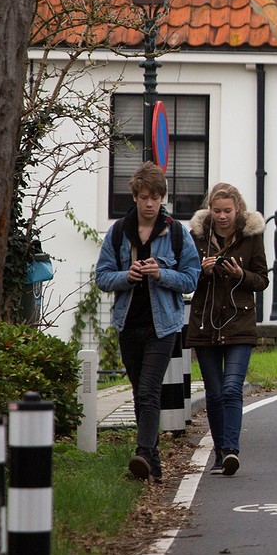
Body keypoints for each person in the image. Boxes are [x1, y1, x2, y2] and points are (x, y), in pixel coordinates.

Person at [95, 162, 200, 482]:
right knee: (140, 390)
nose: (150, 203)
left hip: (163, 326)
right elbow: (102, 276)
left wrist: (161, 274)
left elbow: (191, 278)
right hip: (128, 323)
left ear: (162, 197)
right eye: (144, 197)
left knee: (150, 391)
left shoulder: (177, 232)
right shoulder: (118, 232)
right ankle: (152, 462)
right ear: (135, 198)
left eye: (156, 197)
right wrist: (126, 276)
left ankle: (142, 453)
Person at [186, 182, 268, 476]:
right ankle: (220, 452)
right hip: (205, 323)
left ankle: (231, 450)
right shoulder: (196, 236)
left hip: (239, 322)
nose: (222, 216)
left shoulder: (251, 236)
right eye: (217, 211)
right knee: (215, 391)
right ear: (210, 209)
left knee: (232, 388)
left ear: (238, 209)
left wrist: (240, 274)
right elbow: (184, 278)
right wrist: (202, 272)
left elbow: (262, 280)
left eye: (228, 211)